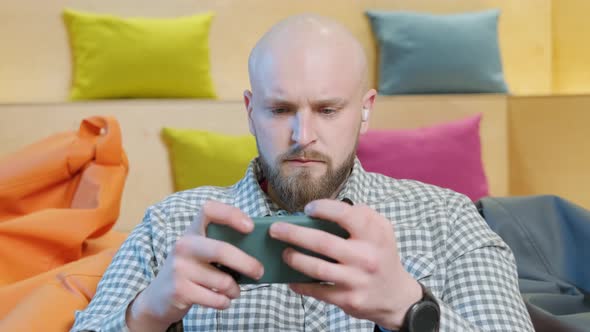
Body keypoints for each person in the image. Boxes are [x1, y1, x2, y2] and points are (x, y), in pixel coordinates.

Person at [72, 14, 534, 332]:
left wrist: (410, 308)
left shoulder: (447, 220)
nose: (303, 134)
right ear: (250, 112)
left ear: (365, 110)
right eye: (280, 109)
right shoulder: (171, 225)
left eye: (328, 109)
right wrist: (148, 312)